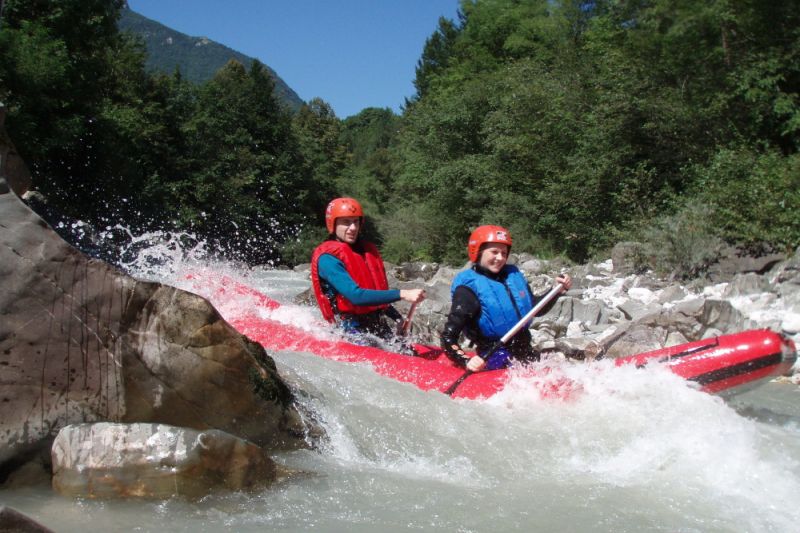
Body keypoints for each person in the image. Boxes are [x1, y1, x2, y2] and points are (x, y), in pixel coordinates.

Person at [440, 225, 572, 372]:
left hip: (524, 350)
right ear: (478, 252)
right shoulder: (467, 289)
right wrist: (465, 360)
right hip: (493, 356)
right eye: (494, 252)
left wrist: (557, 291)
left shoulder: (512, 277)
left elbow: (534, 309)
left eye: (504, 253)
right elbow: (448, 337)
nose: (500, 258)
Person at [310, 197, 426, 343]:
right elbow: (356, 296)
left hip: (375, 322)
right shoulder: (328, 259)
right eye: (346, 222)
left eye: (356, 222)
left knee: (405, 351)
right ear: (333, 224)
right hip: (348, 328)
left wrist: (396, 317)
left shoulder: (366, 251)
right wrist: (403, 293)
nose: (353, 228)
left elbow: (375, 295)